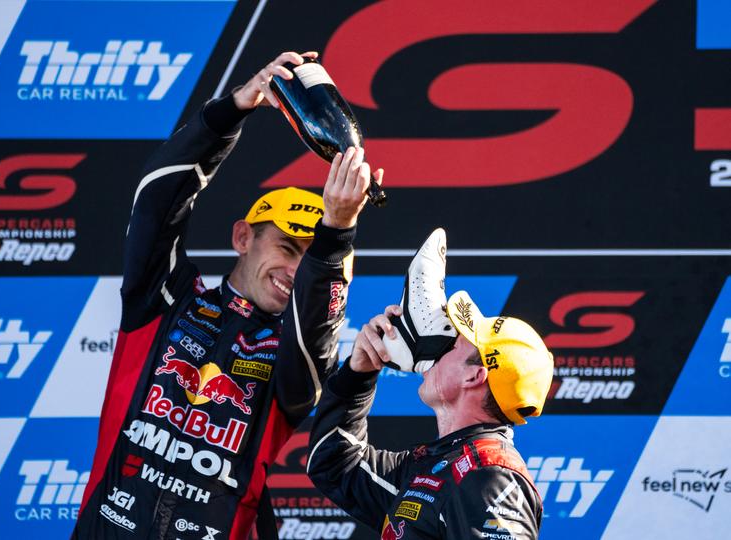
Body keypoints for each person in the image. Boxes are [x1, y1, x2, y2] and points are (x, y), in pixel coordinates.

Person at [72, 51, 382, 539]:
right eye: (285, 246)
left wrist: (338, 230)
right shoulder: (165, 300)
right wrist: (232, 110)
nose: (293, 269)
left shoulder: (294, 360)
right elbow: (157, 201)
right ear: (243, 238)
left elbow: (315, 328)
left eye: (309, 256)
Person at [307, 229, 553, 539]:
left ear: (474, 376)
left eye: (451, 346)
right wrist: (358, 373)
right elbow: (332, 462)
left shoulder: (490, 475)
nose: (435, 352)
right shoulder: (439, 465)